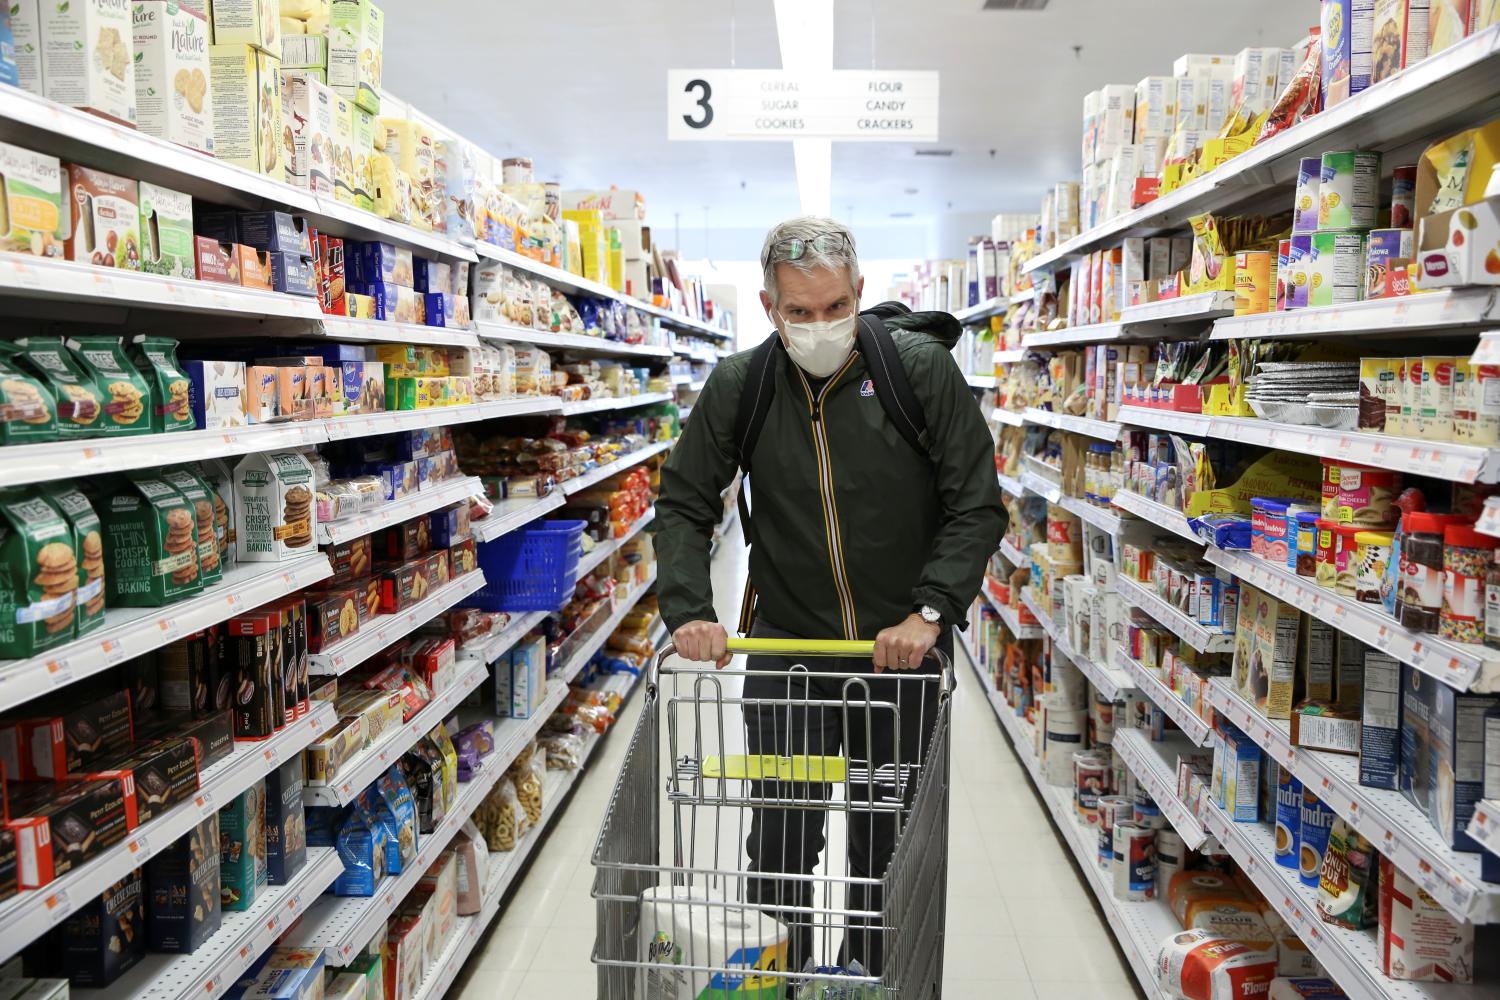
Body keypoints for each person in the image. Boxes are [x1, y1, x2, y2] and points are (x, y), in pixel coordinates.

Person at [650, 215, 1007, 976]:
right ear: (768, 306)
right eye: (799, 313)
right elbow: (683, 502)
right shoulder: (740, 387)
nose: (820, 326)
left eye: (835, 307)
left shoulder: (920, 372)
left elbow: (976, 503)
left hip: (898, 661)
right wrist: (688, 610)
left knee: (887, 852)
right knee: (779, 846)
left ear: (860, 294)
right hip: (789, 653)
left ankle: (864, 985)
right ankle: (778, 984)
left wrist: (931, 611)